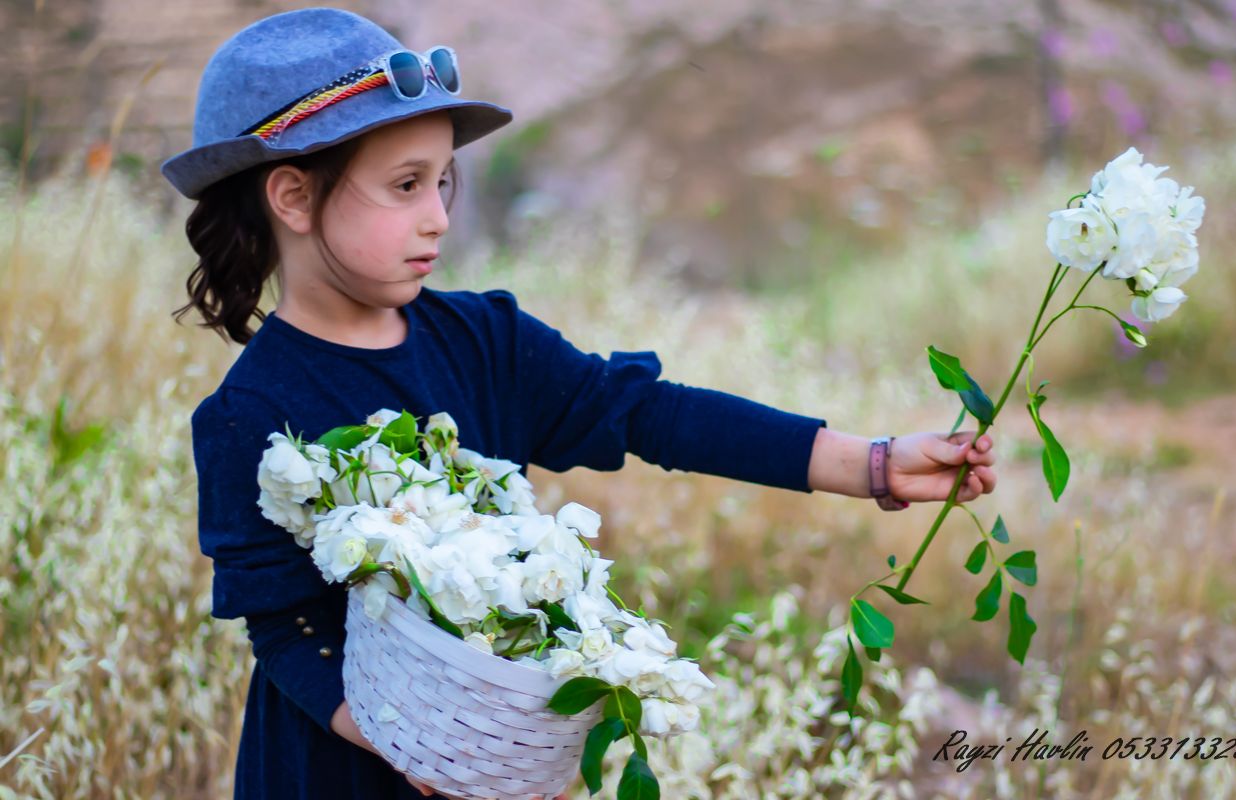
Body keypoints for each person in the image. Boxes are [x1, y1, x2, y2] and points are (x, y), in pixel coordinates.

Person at [165, 7, 998, 800]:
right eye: (405, 185)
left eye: (444, 182)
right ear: (293, 198)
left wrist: (873, 463)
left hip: (495, 756)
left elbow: (651, 414)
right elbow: (283, 631)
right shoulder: (252, 412)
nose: (437, 219)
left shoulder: (484, 341)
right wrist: (405, 742)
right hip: (341, 764)